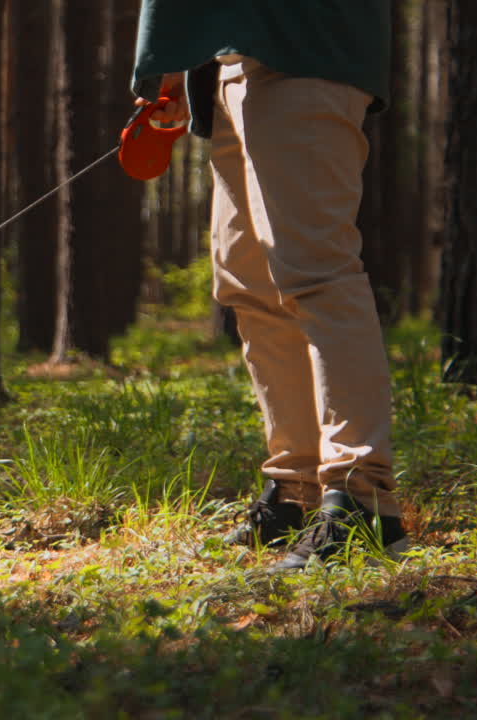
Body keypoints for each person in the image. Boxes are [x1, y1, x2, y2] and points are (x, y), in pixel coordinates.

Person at [130, 1, 407, 569]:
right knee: (249, 285)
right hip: (231, 63)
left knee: (319, 275)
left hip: (303, 44)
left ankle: (362, 499)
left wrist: (160, 53)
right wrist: (181, 66)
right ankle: (297, 489)